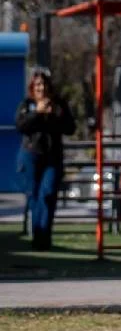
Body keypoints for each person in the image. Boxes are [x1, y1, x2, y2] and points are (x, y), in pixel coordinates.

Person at [15, 66, 76, 250]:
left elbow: (70, 128)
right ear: (33, 87)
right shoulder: (27, 104)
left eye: (44, 84)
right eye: (38, 84)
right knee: (34, 197)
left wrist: (55, 115)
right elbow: (21, 126)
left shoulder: (59, 104)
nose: (41, 88)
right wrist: (37, 113)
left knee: (48, 194)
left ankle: (45, 236)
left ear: (50, 86)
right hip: (31, 155)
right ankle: (38, 236)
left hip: (52, 156)